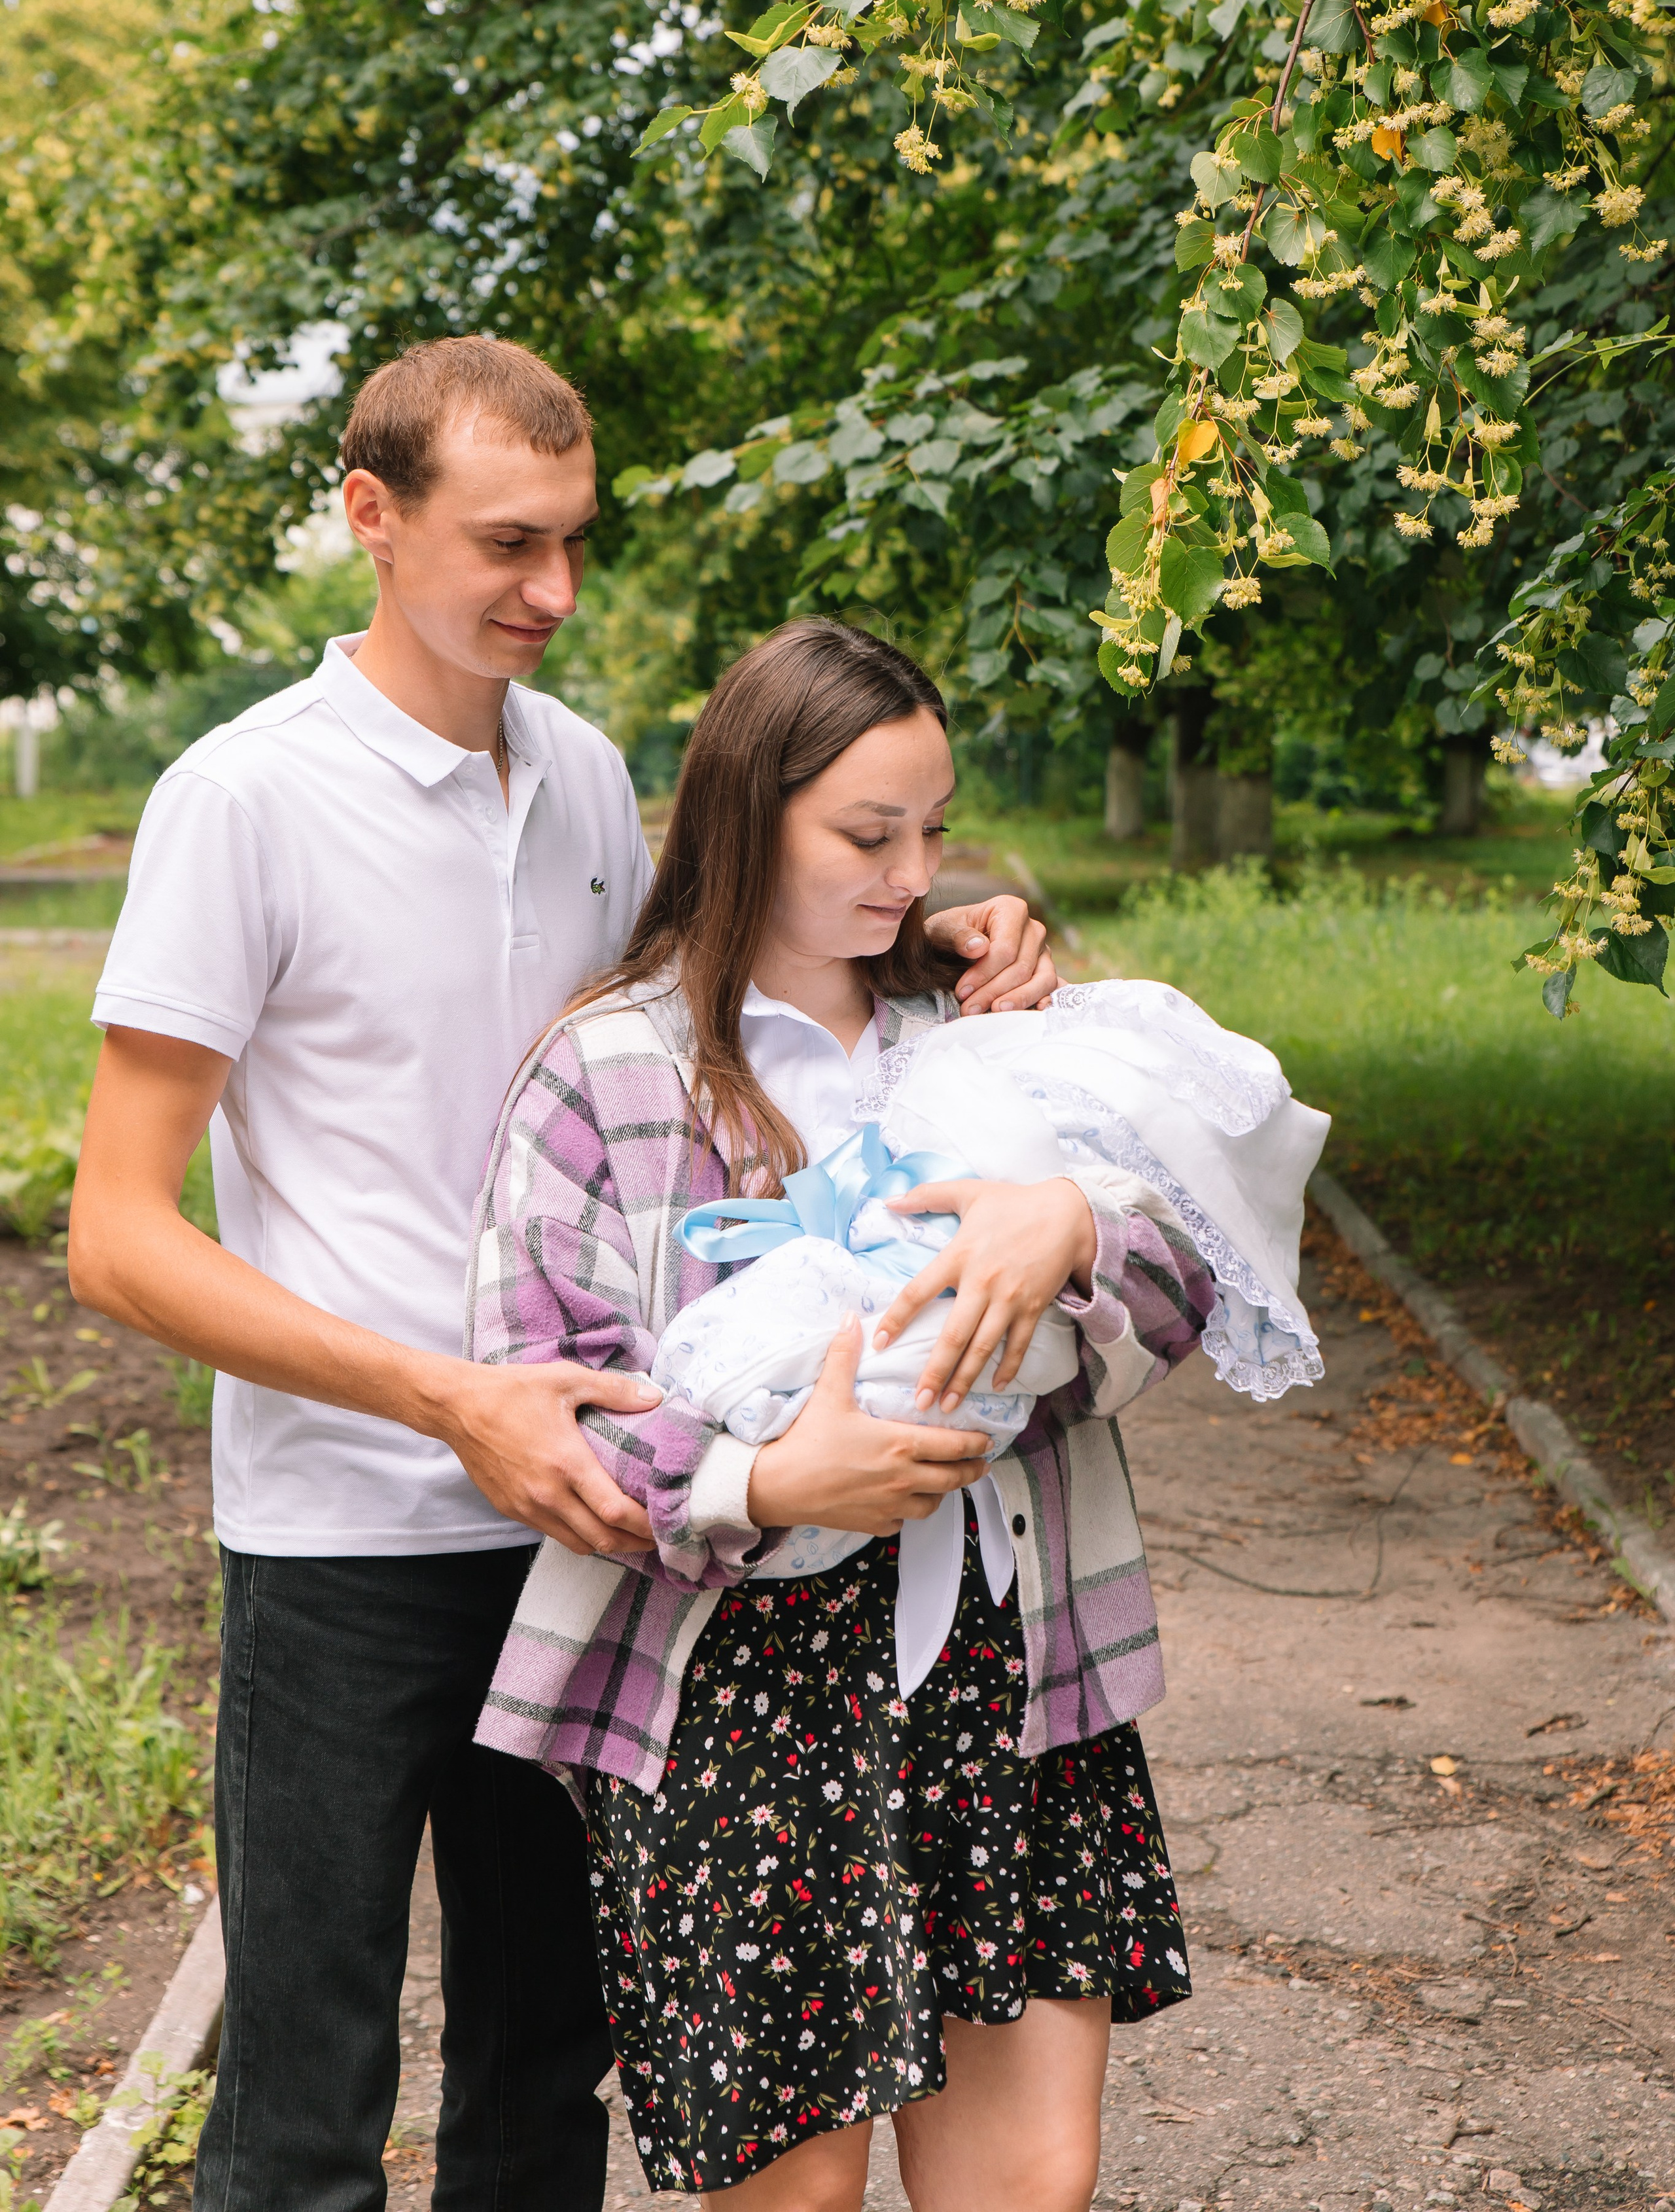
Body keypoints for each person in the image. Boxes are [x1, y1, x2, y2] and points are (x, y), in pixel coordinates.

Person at [65, 338, 1057, 2212]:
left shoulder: (589, 774)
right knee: (307, 2099)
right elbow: (114, 1236)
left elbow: (729, 979)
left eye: (577, 543)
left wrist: (942, 932)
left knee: (541, 2082)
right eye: (507, 543)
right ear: (370, 516)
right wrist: (450, 1399)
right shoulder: (242, 798)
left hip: (596, 1525)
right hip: (349, 1535)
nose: (554, 592)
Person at [468, 620, 1220, 2211]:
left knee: (1029, 2179)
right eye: (866, 834)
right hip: (743, 1693)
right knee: (790, 2191)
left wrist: (1068, 1234)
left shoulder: (988, 1037)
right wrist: (761, 1476)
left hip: (1002, 1662)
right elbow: (543, 1403)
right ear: (746, 814)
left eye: (932, 830)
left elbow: (1183, 1288)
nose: (909, 873)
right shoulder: (604, 1069)